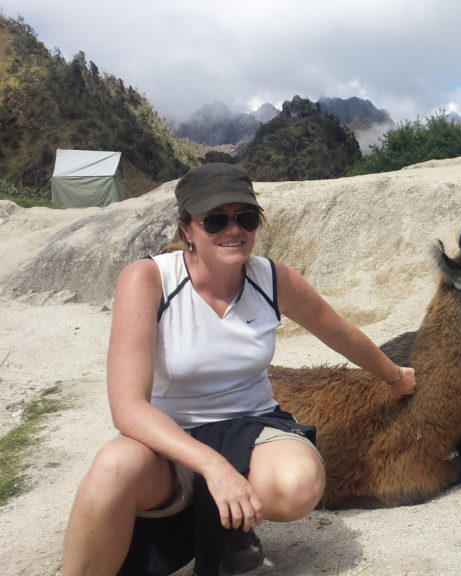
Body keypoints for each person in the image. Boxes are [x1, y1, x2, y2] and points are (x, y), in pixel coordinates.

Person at [61, 163, 416, 576]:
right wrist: (214, 466)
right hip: (166, 437)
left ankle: (230, 532)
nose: (234, 230)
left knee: (298, 484)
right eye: (215, 220)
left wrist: (395, 376)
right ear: (186, 228)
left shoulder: (272, 279)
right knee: (112, 468)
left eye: (245, 218)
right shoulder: (148, 279)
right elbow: (127, 409)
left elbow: (342, 334)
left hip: (251, 425)